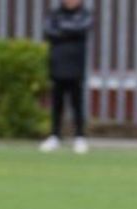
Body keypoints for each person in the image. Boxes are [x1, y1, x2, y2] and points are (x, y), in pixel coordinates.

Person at [41, 0, 94, 154]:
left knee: (77, 103)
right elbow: (49, 31)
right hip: (57, 63)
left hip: (76, 64)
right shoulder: (55, 14)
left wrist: (62, 30)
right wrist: (68, 31)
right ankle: (55, 135)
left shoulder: (84, 14)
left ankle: (79, 136)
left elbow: (81, 28)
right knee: (57, 102)